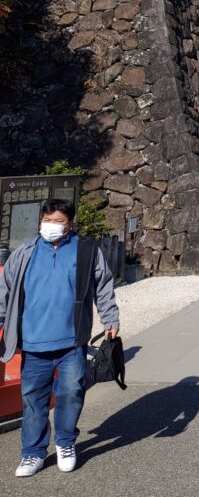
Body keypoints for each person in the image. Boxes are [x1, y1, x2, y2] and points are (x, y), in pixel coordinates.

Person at [0, 199, 119, 477]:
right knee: (33, 401)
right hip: (33, 343)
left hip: (72, 343)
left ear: (70, 224)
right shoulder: (25, 253)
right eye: (47, 220)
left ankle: (65, 443)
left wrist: (110, 317)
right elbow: (4, 291)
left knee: (71, 394)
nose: (51, 226)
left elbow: (103, 284)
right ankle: (33, 453)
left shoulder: (87, 250)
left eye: (58, 221)